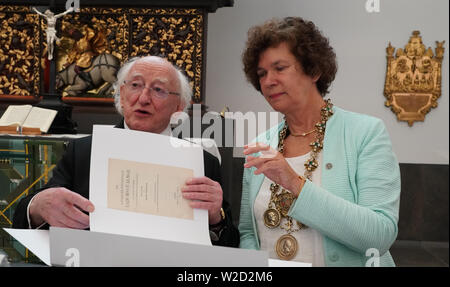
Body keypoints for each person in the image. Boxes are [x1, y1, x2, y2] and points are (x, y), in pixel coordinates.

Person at [13, 55, 239, 248]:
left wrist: (215, 218)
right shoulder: (83, 151)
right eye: (135, 85)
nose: (143, 98)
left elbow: (229, 244)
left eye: (158, 90)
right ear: (121, 93)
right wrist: (39, 206)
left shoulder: (202, 162)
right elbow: (24, 217)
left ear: (179, 106)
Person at [238, 17, 400, 266]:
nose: (268, 81)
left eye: (280, 68)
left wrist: (294, 182)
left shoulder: (365, 133)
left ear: (314, 70)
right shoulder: (260, 145)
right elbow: (248, 233)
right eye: (261, 73)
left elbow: (378, 236)